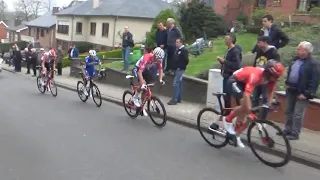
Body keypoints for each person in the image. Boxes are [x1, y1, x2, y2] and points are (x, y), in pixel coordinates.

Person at [210, 60, 285, 148]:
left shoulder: (271, 79)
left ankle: (236, 134)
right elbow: (246, 94)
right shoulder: (256, 76)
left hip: (244, 83)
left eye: (278, 77)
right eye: (276, 76)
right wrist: (249, 110)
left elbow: (270, 92)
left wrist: (269, 104)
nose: (277, 79)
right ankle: (228, 119)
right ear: (269, 73)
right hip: (234, 81)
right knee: (246, 108)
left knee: (246, 115)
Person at [281, 41, 320, 140]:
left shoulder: (313, 63)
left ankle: (295, 133)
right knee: (289, 111)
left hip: (302, 92)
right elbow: (291, 72)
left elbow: (314, 81)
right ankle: (287, 129)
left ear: (306, 51)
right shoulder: (295, 60)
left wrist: (306, 94)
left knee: (298, 114)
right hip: (291, 89)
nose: (297, 50)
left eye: (299, 49)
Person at [252, 36, 281, 116]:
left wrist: (271, 76)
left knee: (265, 100)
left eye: (259, 42)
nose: (257, 44)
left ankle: (262, 119)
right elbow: (255, 62)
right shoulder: (259, 51)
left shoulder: (273, 52)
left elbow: (277, 66)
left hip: (267, 80)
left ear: (265, 42)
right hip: (258, 79)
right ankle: (253, 117)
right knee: (254, 98)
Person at [218, 34, 242, 111]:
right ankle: (226, 111)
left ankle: (228, 112)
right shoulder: (228, 50)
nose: (224, 40)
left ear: (231, 40)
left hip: (230, 77)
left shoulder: (235, 51)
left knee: (228, 95)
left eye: (226, 39)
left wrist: (224, 61)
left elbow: (236, 65)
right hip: (225, 75)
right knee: (225, 95)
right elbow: (228, 63)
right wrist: (222, 62)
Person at [167, 38, 189, 105]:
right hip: (177, 69)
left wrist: (181, 67)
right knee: (179, 83)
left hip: (180, 69)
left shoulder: (184, 50)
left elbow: (186, 60)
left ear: (181, 43)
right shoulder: (177, 50)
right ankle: (178, 98)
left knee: (176, 83)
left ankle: (175, 99)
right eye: (176, 42)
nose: (176, 43)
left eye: (177, 42)